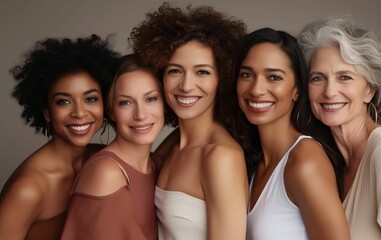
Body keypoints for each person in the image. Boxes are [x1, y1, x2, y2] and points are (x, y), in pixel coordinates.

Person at [298, 16, 381, 239]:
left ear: (370, 90)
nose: (330, 91)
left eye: (345, 77)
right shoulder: (330, 163)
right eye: (318, 78)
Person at [131, 3, 249, 239]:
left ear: (222, 79)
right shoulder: (171, 146)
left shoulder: (221, 157)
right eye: (175, 71)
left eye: (202, 72)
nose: (186, 86)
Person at [234, 27, 350, 240]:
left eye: (274, 77)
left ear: (297, 89)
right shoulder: (252, 162)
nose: (256, 89)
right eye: (247, 75)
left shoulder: (305, 161)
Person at [0, 35, 119, 240]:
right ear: (46, 112)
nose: (80, 113)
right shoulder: (29, 188)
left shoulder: (100, 158)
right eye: (64, 102)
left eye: (90, 99)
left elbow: (155, 161)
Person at [61, 54, 164, 240]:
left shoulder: (155, 163)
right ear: (111, 111)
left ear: (164, 104)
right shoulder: (107, 173)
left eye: (151, 99)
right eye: (125, 102)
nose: (140, 114)